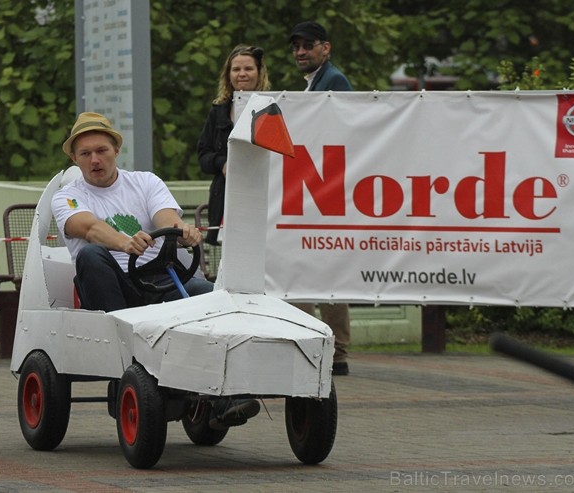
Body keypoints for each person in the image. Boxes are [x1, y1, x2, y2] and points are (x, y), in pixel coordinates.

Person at [52, 111, 259, 427]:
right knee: (92, 255)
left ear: (116, 150)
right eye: (85, 154)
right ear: (75, 159)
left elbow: (166, 219)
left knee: (212, 295)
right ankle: (125, 352)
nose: (95, 160)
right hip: (113, 289)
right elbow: (89, 228)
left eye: (102, 151)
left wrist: (182, 231)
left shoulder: (146, 182)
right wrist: (123, 243)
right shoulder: (67, 197)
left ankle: (227, 393)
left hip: (157, 279)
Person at [289, 21, 353, 375]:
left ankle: (334, 351)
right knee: (316, 271)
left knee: (325, 272)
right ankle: (324, 348)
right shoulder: (316, 83)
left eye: (307, 45)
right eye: (296, 46)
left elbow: (339, 135)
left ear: (325, 48)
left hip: (326, 190)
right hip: (315, 188)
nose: (300, 51)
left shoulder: (334, 82)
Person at [197, 44, 271, 245]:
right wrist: (222, 164)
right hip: (226, 200)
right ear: (228, 74)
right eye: (236, 69)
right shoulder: (218, 110)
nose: (242, 74)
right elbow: (203, 156)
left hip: (263, 198)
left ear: (259, 72)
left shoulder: (272, 107)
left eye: (248, 68)